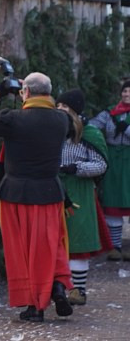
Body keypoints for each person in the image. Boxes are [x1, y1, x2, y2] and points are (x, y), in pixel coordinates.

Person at [0, 72, 73, 322]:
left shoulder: (13, 119)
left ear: (25, 93)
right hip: (51, 193)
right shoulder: (62, 119)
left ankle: (34, 305)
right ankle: (58, 286)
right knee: (51, 245)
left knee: (23, 251)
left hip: (16, 195)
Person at [56, 90, 109, 305]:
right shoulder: (52, 130)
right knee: (57, 240)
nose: (60, 110)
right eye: (57, 106)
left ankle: (78, 290)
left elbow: (101, 165)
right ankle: (59, 288)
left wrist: (75, 168)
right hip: (54, 188)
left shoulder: (89, 133)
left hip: (79, 191)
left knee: (77, 242)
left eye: (64, 107)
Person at [91, 78, 130, 260]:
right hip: (113, 162)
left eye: (129, 92)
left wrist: (128, 129)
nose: (126, 95)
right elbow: (92, 127)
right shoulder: (109, 113)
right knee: (113, 202)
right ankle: (115, 247)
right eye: (124, 91)